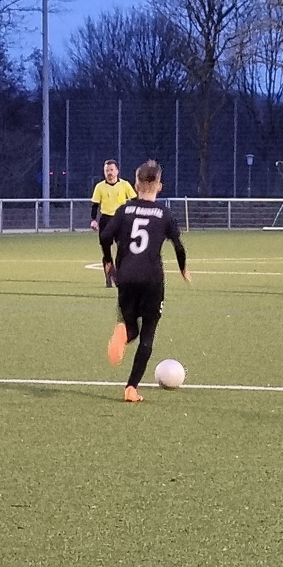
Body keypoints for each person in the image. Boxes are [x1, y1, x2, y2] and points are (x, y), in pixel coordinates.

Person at [100, 159, 190, 403]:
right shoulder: (164, 214)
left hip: (125, 277)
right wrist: (183, 268)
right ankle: (131, 388)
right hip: (152, 279)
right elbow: (178, 246)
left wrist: (108, 261)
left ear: (136, 184)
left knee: (131, 327)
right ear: (159, 186)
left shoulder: (124, 211)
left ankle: (124, 333)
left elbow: (105, 235)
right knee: (147, 334)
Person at [90, 159, 137, 288]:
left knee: (123, 248)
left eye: (111, 170)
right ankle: (109, 275)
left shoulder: (125, 185)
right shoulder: (100, 187)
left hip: (121, 220)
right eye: (107, 170)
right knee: (106, 251)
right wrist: (93, 220)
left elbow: (135, 200)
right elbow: (95, 205)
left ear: (117, 171)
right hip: (106, 220)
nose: (109, 173)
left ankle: (119, 276)